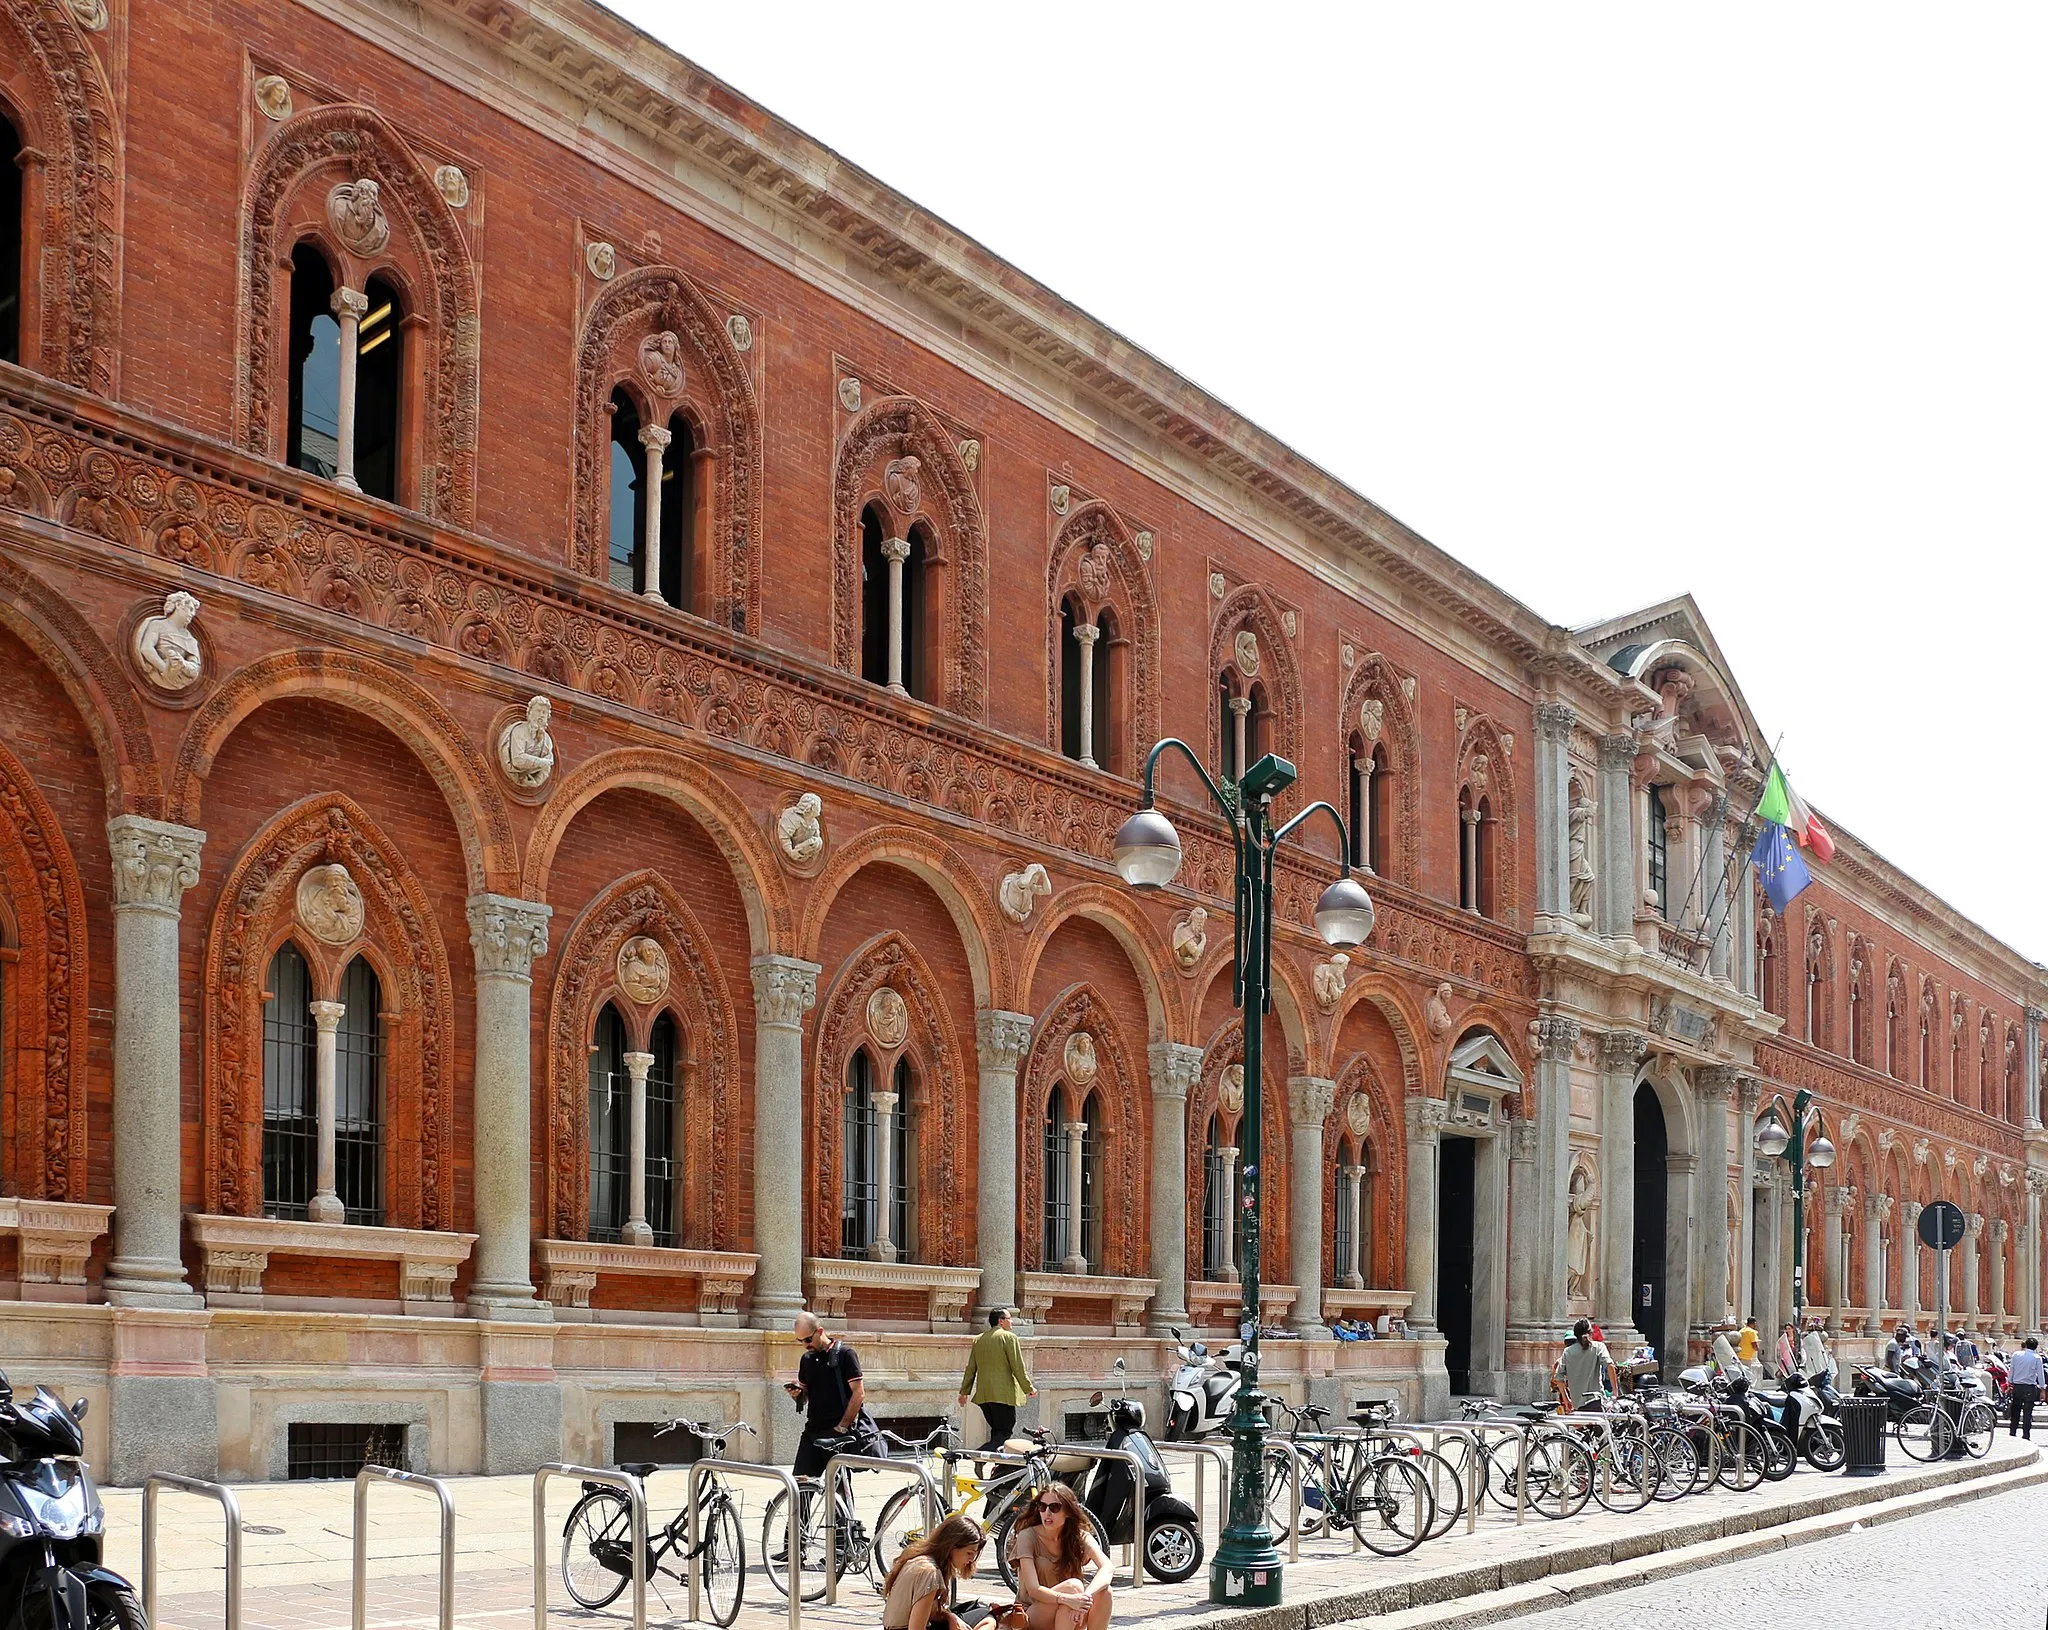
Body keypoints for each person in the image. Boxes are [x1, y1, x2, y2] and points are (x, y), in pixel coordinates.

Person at [1009, 1482, 1111, 1630]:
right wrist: (1069, 1599)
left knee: (1104, 1591)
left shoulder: (1079, 1536)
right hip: (1033, 1613)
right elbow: (1034, 1589)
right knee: (1073, 1586)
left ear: (1068, 1511)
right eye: (1042, 1507)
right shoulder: (1028, 1536)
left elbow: (1107, 1568)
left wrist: (1084, 1598)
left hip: (1070, 1609)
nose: (1047, 1513)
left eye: (1054, 1507)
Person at [785, 1310, 867, 1477]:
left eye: (808, 1339)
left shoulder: (845, 1354)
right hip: (812, 1431)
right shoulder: (807, 1359)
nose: (806, 1345)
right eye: (800, 1341)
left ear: (820, 1331)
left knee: (838, 1492)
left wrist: (842, 1427)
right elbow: (806, 1395)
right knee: (800, 1488)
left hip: (837, 1434)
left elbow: (858, 1394)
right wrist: (797, 1394)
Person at [883, 1514, 986, 1630]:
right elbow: (916, 1627)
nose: (971, 1559)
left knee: (980, 1609)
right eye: (969, 1553)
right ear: (952, 1547)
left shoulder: (920, 1559)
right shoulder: (930, 1572)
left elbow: (930, 1612)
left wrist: (950, 1616)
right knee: (988, 1617)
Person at [959, 1306, 1036, 1450]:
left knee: (997, 1432)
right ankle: (978, 1456)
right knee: (1004, 1432)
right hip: (1002, 1395)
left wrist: (964, 1392)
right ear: (1001, 1321)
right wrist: (1028, 1387)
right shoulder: (1009, 1337)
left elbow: (971, 1369)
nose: (1012, 1322)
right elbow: (1017, 1366)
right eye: (1009, 1318)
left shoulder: (979, 1339)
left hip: (984, 1396)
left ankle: (997, 1466)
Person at [1552, 1318, 1619, 1411]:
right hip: (1596, 1401)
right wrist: (1615, 1392)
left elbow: (1558, 1377)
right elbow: (1610, 1366)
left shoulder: (1567, 1352)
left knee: (1581, 1425)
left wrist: (1566, 1399)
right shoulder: (1598, 1347)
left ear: (1575, 1335)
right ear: (1591, 1332)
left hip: (1577, 1404)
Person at [2008, 1336, 2045, 1440]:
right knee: (2027, 1412)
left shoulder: (2016, 1355)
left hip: (2017, 1386)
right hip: (2030, 1387)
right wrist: (2043, 1389)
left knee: (2015, 1410)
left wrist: (2010, 1382)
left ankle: (2012, 1432)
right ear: (2036, 1347)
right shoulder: (2037, 1358)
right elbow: (2040, 1375)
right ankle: (2026, 1434)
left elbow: (2012, 1370)